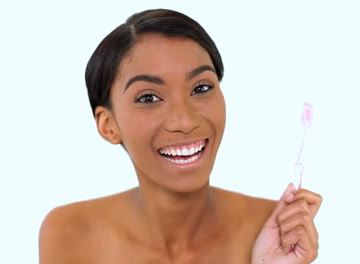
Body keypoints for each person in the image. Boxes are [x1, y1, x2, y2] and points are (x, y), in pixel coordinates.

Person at [39, 8, 322, 264]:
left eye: (200, 88)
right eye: (149, 97)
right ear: (108, 125)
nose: (185, 121)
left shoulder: (276, 230)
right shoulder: (69, 233)